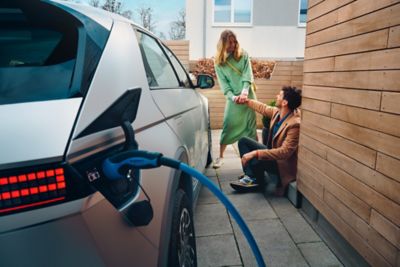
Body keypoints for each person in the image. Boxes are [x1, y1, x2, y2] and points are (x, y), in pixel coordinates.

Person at [230, 86, 302, 196]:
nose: (277, 96)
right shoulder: (278, 112)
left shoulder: (295, 124)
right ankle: (252, 177)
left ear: (284, 102)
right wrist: (246, 101)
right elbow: (262, 108)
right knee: (243, 141)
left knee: (255, 158)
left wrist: (256, 153)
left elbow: (285, 152)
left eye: (280, 95)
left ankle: (257, 180)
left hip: (282, 165)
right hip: (274, 156)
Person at [212, 30, 257, 168]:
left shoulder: (243, 55)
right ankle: (220, 157)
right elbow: (224, 85)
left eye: (234, 41)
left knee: (251, 127)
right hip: (234, 99)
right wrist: (233, 97)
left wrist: (244, 92)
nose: (232, 44)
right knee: (228, 124)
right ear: (223, 43)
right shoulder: (218, 62)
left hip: (247, 95)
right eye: (229, 42)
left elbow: (247, 75)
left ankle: (256, 157)